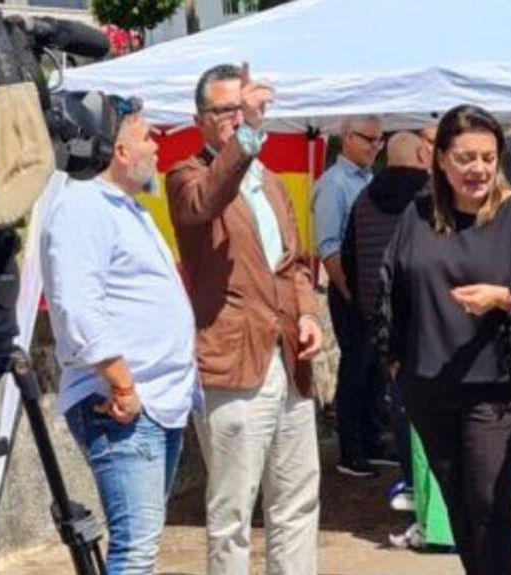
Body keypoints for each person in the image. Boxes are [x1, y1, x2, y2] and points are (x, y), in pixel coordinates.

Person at [375, 104, 511, 575]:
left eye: (488, 157)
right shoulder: (417, 214)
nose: (478, 168)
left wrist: (505, 298)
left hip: (497, 390)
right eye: (466, 157)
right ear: (440, 159)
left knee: (489, 499)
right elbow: (392, 285)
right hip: (429, 386)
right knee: (458, 502)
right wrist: (393, 357)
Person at [166, 62, 323, 575]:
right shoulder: (186, 175)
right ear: (200, 120)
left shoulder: (274, 184)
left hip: (289, 359)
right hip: (233, 362)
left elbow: (294, 264)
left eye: (245, 107)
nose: (238, 117)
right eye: (227, 110)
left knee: (297, 501)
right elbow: (206, 202)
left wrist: (308, 314)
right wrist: (250, 135)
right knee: (233, 511)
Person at [40, 96, 202, 574]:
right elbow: (78, 305)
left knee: (141, 546)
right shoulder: (83, 205)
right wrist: (123, 383)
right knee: (134, 550)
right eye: (147, 137)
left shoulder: (123, 206)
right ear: (119, 151)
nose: (157, 147)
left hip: (153, 401)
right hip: (124, 403)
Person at [340, 131, 430, 507]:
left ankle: (409, 478)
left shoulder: (363, 199)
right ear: (423, 154)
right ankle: (428, 484)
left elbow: (349, 258)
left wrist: (366, 303)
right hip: (426, 313)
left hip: (379, 312)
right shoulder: (431, 196)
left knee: (398, 396)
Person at [313, 114, 394, 478]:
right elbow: (328, 247)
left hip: (370, 292)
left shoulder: (369, 180)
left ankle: (373, 441)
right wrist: (349, 291)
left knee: (374, 367)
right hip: (351, 291)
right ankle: (351, 451)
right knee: (355, 369)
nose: (376, 147)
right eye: (368, 139)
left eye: (380, 141)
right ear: (346, 138)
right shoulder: (334, 184)